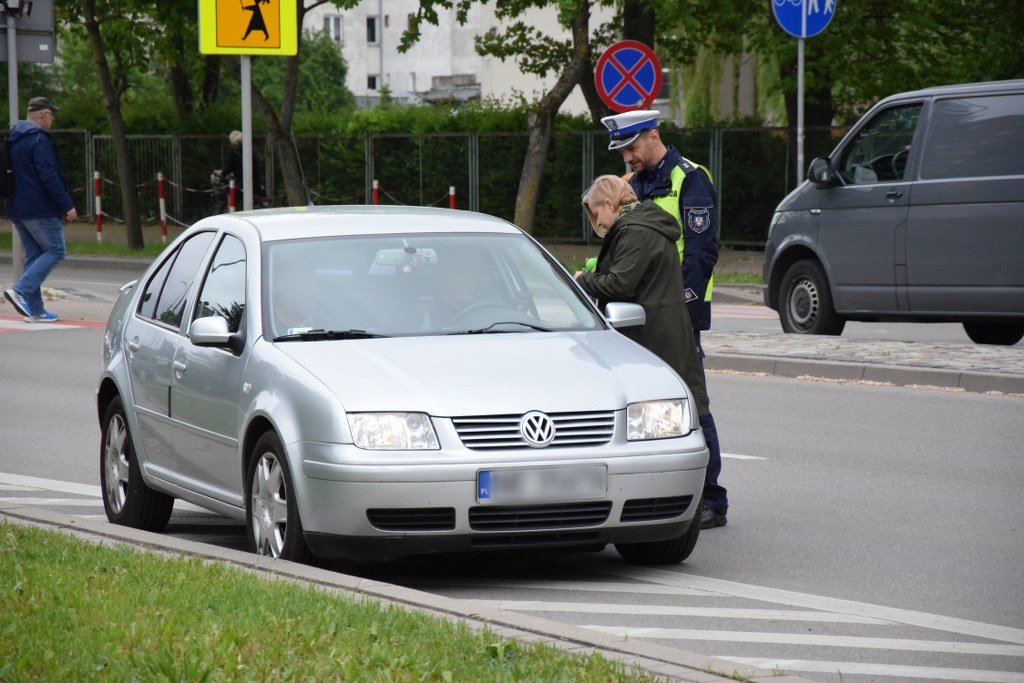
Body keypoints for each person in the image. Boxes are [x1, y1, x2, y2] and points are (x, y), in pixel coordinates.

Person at [600, 108, 729, 530]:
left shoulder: (690, 178)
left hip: (679, 312)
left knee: (692, 401)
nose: (627, 159)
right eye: (622, 152)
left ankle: (711, 499)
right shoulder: (633, 183)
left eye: (632, 148)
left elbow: (701, 252)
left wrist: (683, 306)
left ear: (653, 136)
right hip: (639, 313)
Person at [574, 174, 713, 445]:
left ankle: (709, 473)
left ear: (609, 203)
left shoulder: (633, 231)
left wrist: (583, 280)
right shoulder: (647, 223)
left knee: (673, 415)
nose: (598, 223)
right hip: (666, 332)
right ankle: (709, 472)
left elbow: (620, 284)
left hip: (651, 337)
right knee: (689, 409)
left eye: (597, 214)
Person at [3, 96, 78, 323]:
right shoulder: (38, 139)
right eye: (52, 115)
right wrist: (66, 205)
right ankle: (20, 290)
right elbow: (48, 174)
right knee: (56, 250)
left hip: (16, 206)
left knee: (35, 255)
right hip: (39, 207)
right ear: (44, 114)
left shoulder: (13, 137)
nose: (52, 120)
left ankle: (35, 311)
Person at [214, 130, 265, 211]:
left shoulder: (233, 154)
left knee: (215, 180)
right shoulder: (251, 153)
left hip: (240, 186)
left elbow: (226, 171)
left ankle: (221, 203)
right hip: (256, 185)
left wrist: (220, 173)